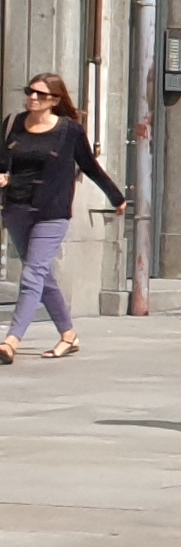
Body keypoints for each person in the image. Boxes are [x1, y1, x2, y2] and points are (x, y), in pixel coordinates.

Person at [4, 70, 123, 363]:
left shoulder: (69, 131)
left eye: (40, 94)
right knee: (41, 274)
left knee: (32, 274)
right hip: (17, 208)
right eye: (30, 91)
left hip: (52, 212)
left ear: (55, 100)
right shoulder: (13, 124)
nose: (33, 97)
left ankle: (11, 340)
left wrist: (116, 197)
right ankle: (68, 335)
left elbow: (90, 166)